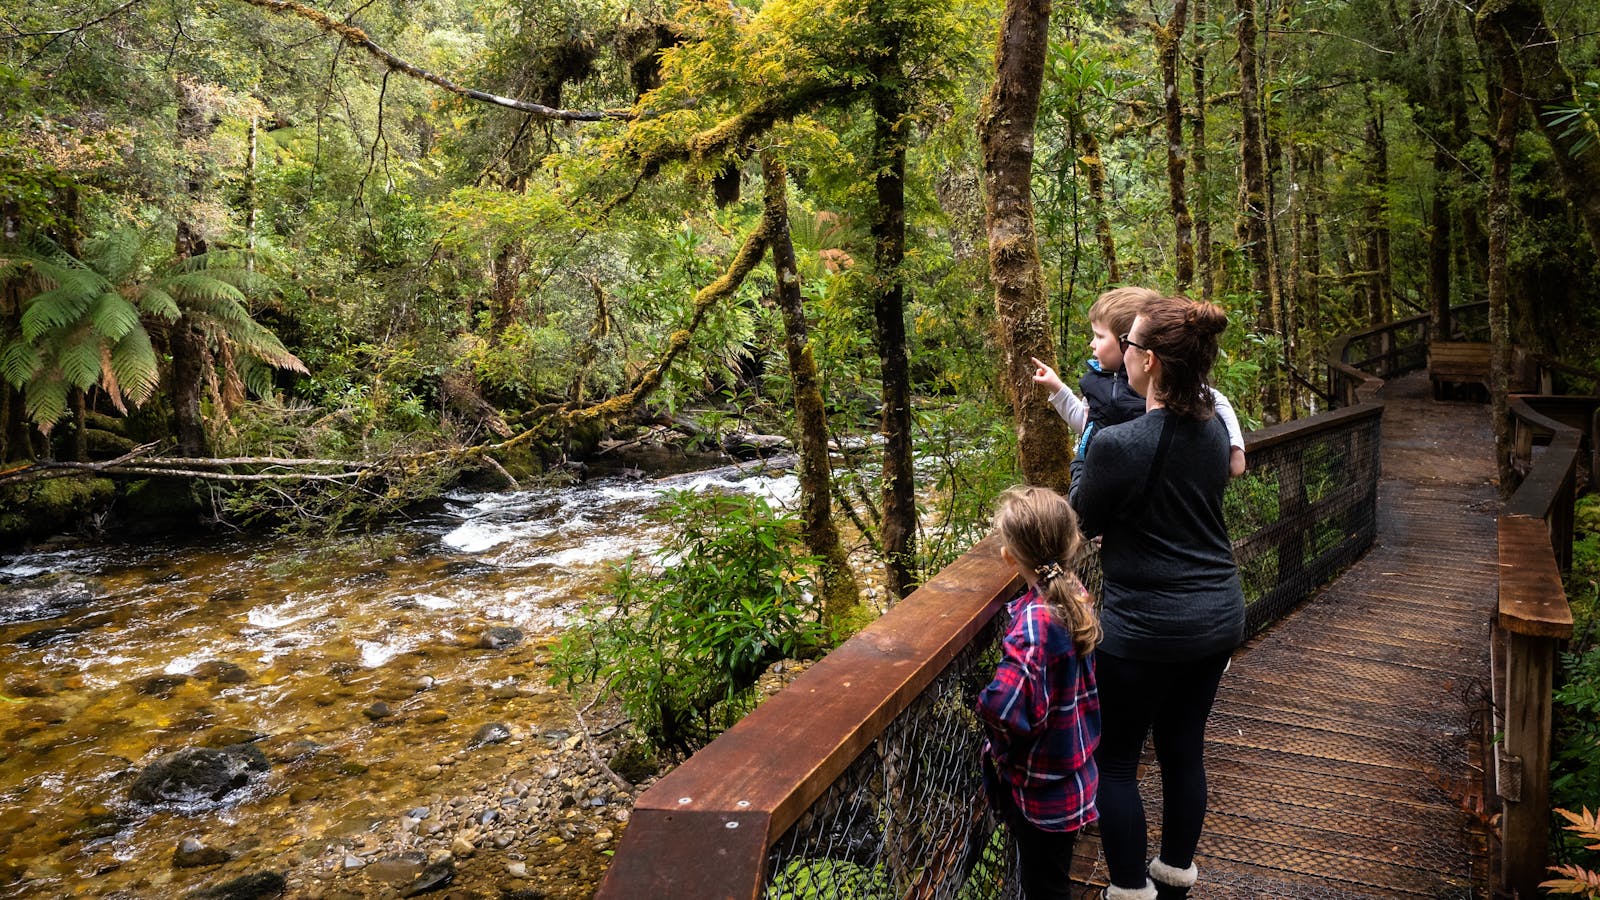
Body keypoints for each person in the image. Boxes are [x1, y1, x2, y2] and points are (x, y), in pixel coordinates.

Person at [1068, 296, 1246, 900]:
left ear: (1149, 362)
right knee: (1182, 749)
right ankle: (1172, 880)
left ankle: (1128, 890)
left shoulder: (1120, 444)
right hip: (1215, 616)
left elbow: (1081, 520)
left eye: (1131, 345)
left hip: (1143, 629)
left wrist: (1082, 460)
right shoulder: (1214, 430)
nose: (1124, 353)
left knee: (1116, 762)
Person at [976, 486, 1102, 900]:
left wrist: (1001, 746)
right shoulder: (1073, 592)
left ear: (1009, 557)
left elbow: (1002, 705)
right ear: (1072, 542)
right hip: (1073, 772)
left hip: (1044, 790)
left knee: (1045, 887)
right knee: (1053, 876)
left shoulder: (1036, 623)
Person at [1031, 286, 1247, 478]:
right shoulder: (1095, 382)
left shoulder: (1159, 382)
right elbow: (1086, 423)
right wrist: (1058, 389)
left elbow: (1215, 399)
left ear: (1127, 340)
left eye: (1099, 336)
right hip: (1099, 479)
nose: (1092, 344)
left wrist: (1235, 449)